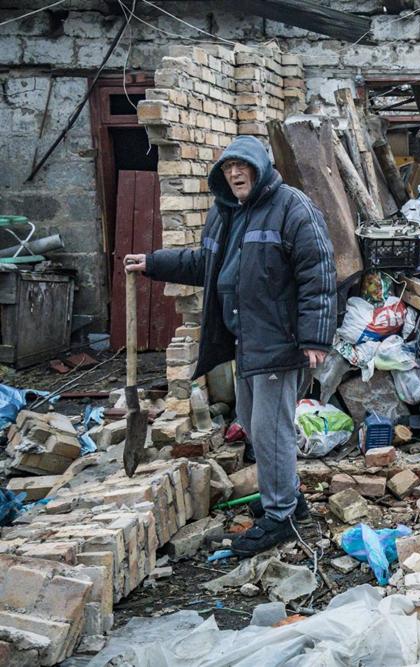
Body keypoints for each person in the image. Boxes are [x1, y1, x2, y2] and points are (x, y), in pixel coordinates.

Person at [126, 135, 336, 556]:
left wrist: (316, 336)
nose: (235, 173)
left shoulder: (293, 208)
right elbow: (205, 264)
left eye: (243, 166)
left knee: (269, 430)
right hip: (246, 339)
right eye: (228, 168)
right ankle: (288, 499)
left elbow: (320, 272)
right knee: (252, 422)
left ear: (260, 169)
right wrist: (154, 263)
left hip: (280, 339)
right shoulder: (225, 214)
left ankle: (281, 517)